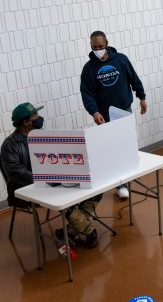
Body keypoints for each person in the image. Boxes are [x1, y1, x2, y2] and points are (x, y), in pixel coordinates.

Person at [0, 103, 101, 248]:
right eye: (35, 116)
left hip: (51, 180)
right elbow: (15, 172)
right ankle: (89, 231)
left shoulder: (42, 135)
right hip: (27, 189)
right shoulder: (9, 145)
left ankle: (70, 231)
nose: (39, 117)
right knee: (64, 199)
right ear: (25, 122)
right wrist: (44, 179)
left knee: (95, 190)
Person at [80, 30, 147, 199]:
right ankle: (120, 185)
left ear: (107, 43)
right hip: (104, 115)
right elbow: (86, 93)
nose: (98, 50)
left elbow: (134, 79)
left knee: (127, 145)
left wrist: (142, 97)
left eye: (101, 46)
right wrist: (94, 112)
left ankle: (129, 176)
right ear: (91, 46)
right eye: (95, 47)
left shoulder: (121, 60)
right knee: (113, 149)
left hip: (124, 110)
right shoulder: (89, 69)